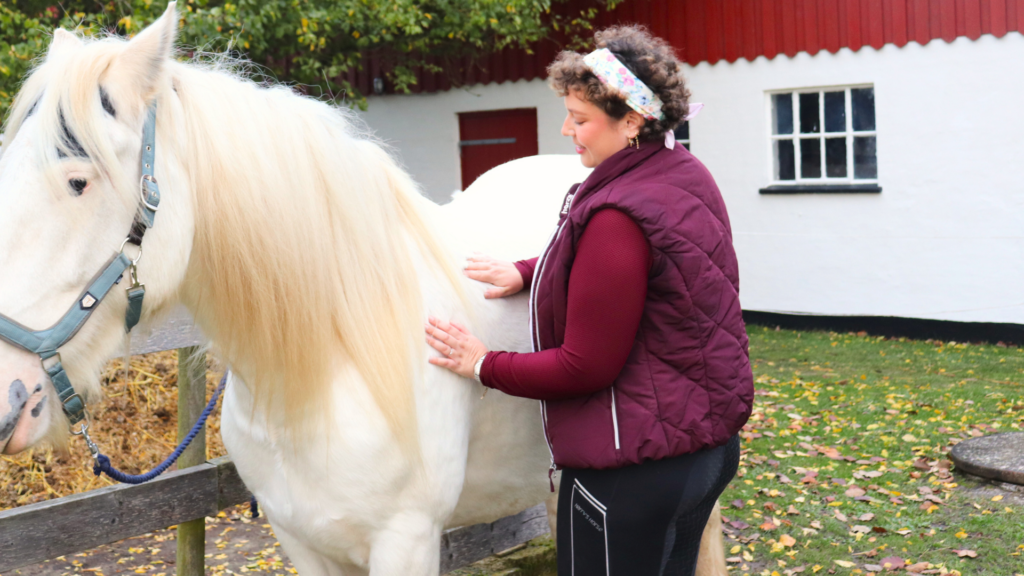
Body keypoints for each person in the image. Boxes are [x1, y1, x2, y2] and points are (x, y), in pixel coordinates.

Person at [425, 25, 753, 576]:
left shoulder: (616, 216)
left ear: (631, 121)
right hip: (707, 451)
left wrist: (481, 363)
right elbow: (657, 265)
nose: (566, 129)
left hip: (632, 474)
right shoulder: (680, 174)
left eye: (580, 119)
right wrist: (529, 271)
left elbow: (585, 366)